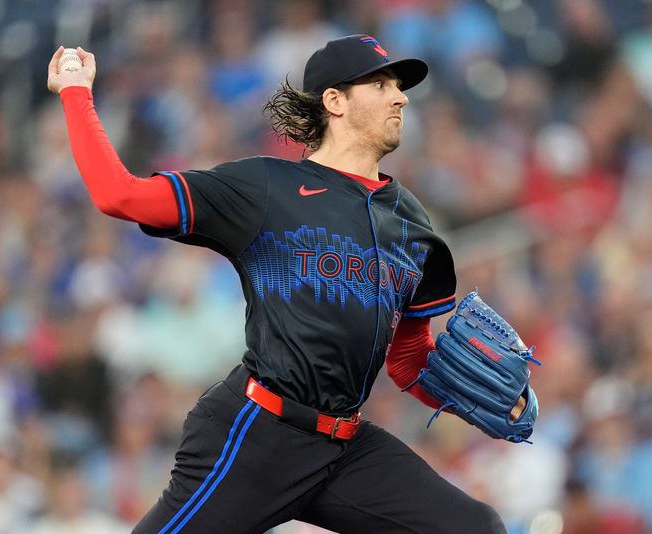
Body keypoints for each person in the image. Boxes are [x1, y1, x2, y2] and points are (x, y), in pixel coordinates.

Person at [47, 34, 508, 533]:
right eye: (380, 84)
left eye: (399, 86)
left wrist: (473, 397)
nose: (400, 96)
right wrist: (76, 91)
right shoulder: (266, 189)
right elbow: (120, 195)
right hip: (257, 434)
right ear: (334, 100)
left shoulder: (412, 222)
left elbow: (408, 360)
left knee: (475, 527)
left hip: (345, 447)